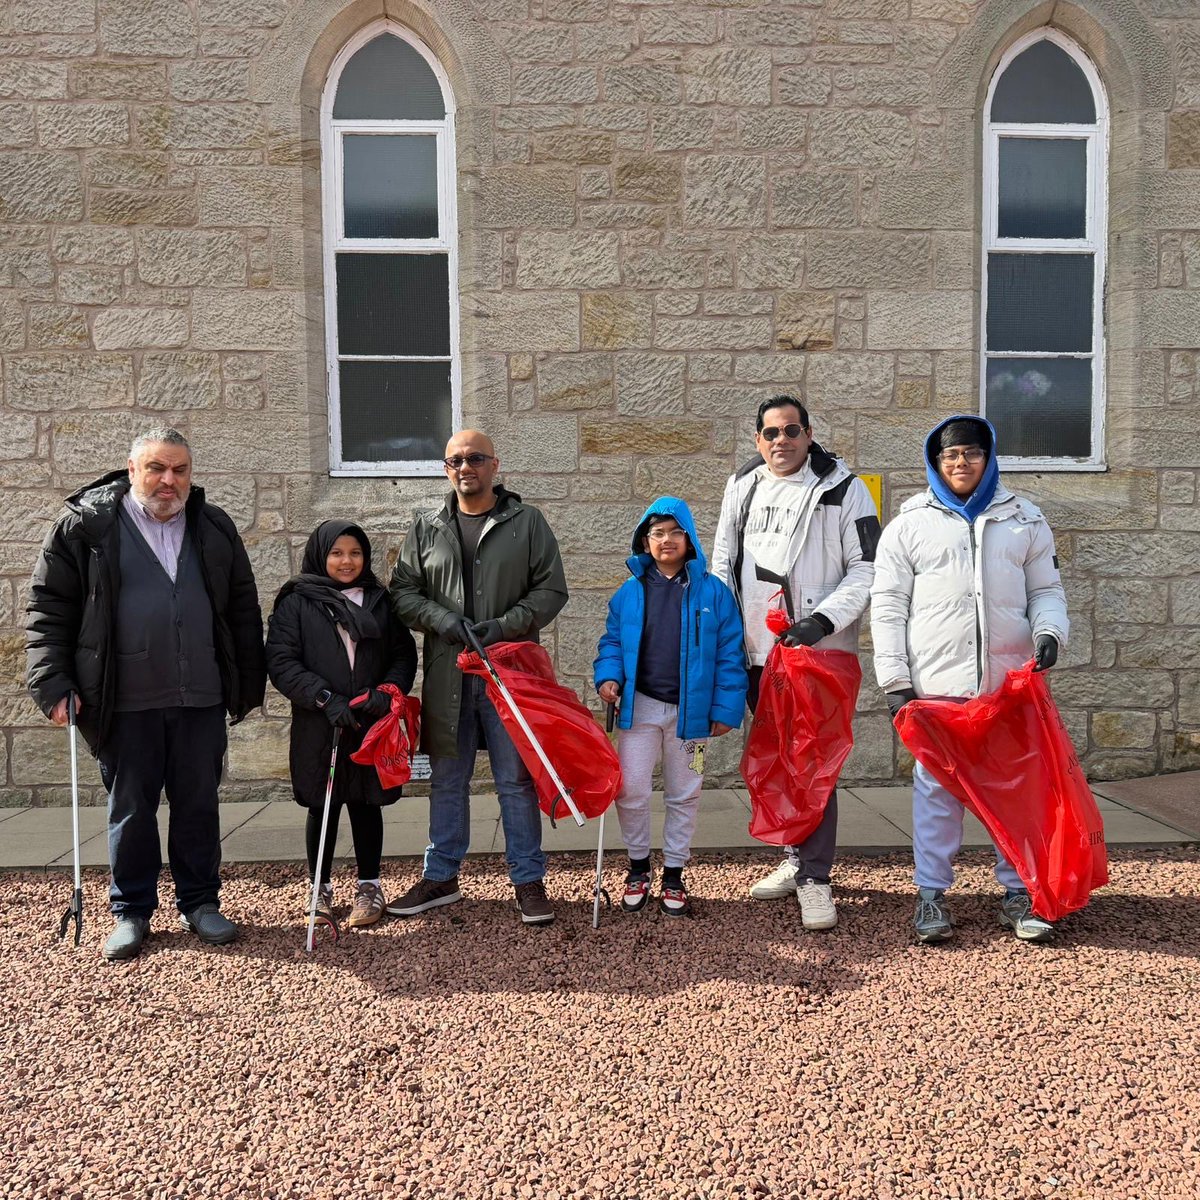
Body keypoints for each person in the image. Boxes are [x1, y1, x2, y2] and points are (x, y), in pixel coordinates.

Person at [26, 428, 266, 961]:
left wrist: (247, 682)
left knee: (198, 806)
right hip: (124, 698)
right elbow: (48, 608)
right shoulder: (87, 528)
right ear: (131, 469)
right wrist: (53, 681)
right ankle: (131, 911)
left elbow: (242, 608)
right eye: (157, 468)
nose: (168, 480)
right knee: (132, 809)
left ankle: (201, 903)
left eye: (179, 470)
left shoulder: (213, 526)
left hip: (199, 695)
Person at [870, 415, 1070, 944]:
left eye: (971, 453)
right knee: (937, 793)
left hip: (1007, 684)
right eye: (950, 455)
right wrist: (895, 680)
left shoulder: (1024, 518)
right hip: (937, 688)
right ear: (936, 462)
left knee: (1014, 791)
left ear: (989, 456)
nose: (961, 463)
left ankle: (1018, 891)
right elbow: (887, 606)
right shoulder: (910, 524)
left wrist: (1050, 631)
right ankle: (932, 896)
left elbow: (1046, 589)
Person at [711, 394, 879, 930]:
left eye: (790, 430)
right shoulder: (743, 484)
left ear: (808, 435)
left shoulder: (845, 491)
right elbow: (723, 562)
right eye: (769, 432)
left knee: (814, 762)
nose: (780, 440)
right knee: (780, 760)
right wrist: (726, 634)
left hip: (818, 653)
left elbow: (868, 569)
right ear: (757, 439)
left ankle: (815, 878)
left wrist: (823, 621)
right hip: (759, 653)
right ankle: (794, 859)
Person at [387, 429, 568, 925]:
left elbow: (551, 590)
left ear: (494, 465)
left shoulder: (527, 522)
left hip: (506, 673)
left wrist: (504, 626)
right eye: (454, 460)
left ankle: (528, 881)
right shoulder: (427, 526)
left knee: (514, 779)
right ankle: (441, 876)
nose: (464, 467)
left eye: (475, 458)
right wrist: (442, 621)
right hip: (449, 674)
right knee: (447, 779)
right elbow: (402, 592)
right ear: (446, 469)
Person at [593, 499, 746, 917]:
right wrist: (609, 676)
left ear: (689, 539)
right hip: (639, 708)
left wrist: (725, 708)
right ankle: (638, 867)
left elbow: (731, 653)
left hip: (691, 715)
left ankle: (675, 872)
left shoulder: (712, 591)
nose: (666, 540)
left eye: (674, 533)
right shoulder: (631, 591)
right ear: (646, 540)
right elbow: (611, 642)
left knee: (685, 793)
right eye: (657, 533)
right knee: (632, 789)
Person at [265, 520, 418, 929]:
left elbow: (403, 654)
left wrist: (387, 691)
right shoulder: (296, 601)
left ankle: (369, 886)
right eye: (336, 553)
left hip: (370, 720)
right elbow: (281, 660)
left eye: (354, 553)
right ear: (321, 555)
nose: (346, 561)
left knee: (368, 804)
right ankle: (320, 887)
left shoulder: (380, 601)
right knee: (324, 803)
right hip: (321, 722)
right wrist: (323, 697)